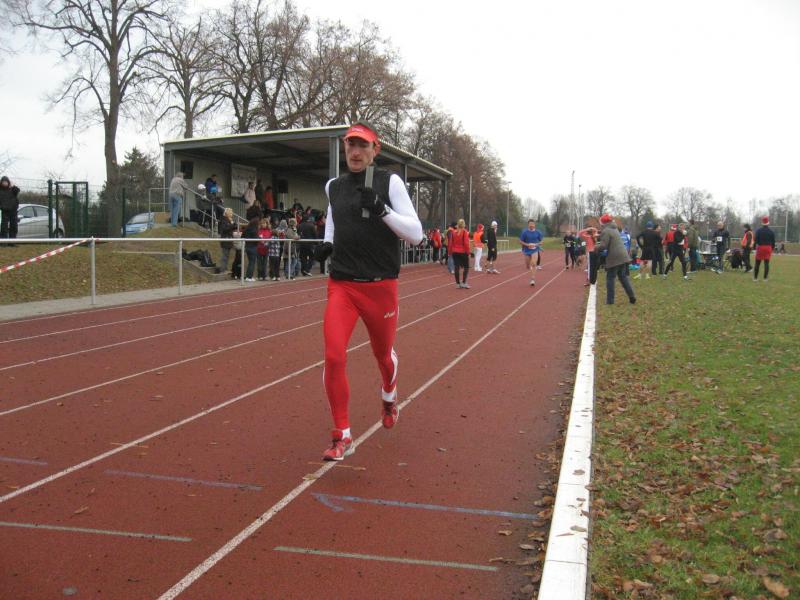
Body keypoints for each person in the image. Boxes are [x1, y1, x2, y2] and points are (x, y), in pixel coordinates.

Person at [313, 122, 423, 461]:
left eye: (363, 145)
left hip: (380, 287)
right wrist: (327, 243)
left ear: (376, 150)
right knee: (334, 356)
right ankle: (342, 434)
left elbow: (416, 234)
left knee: (383, 355)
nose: (355, 152)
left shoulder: (390, 183)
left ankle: (389, 394)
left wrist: (382, 210)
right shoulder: (334, 186)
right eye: (351, 145)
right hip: (343, 286)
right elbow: (333, 216)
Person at [595, 214, 636, 305]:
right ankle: (632, 296)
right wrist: (600, 234)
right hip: (623, 256)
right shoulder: (614, 229)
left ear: (603, 223)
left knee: (610, 278)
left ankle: (610, 301)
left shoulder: (606, 231)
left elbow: (603, 246)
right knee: (623, 278)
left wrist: (595, 247)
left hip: (615, 258)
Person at [520, 219, 543, 286]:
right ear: (528, 225)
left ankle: (532, 279)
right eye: (530, 224)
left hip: (535, 250)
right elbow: (521, 241)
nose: (531, 225)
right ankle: (530, 268)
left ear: (534, 225)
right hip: (527, 250)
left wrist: (536, 244)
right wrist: (527, 245)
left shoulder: (538, 232)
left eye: (532, 224)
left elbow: (541, 241)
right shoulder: (525, 232)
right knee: (527, 265)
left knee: (533, 263)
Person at [450, 218, 471, 288]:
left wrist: (450, 251)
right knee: (466, 267)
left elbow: (451, 243)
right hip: (463, 252)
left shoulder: (453, 232)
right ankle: (464, 282)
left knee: (456, 267)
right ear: (464, 225)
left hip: (455, 252)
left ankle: (457, 283)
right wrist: (468, 252)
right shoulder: (465, 232)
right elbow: (466, 243)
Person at [753, 216, 776, 282]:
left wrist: (754, 248)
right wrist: (772, 248)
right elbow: (773, 241)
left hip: (760, 247)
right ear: (768, 223)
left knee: (757, 263)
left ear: (762, 223)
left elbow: (755, 240)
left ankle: (755, 278)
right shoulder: (771, 231)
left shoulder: (758, 231)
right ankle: (765, 278)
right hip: (768, 248)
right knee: (766, 263)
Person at [216, 207, 236, 274]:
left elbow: (233, 227)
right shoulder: (223, 220)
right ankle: (222, 270)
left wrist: (234, 224)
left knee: (227, 256)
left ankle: (225, 268)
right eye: (231, 213)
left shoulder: (229, 220)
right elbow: (225, 229)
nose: (232, 214)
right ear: (227, 213)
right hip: (225, 240)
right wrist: (232, 225)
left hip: (229, 240)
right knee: (225, 256)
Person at [0, 176, 20, 243]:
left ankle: (12, 242)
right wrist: (2, 207)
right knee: (4, 227)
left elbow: (17, 191)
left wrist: (13, 186)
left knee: (14, 227)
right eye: (3, 182)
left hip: (13, 211)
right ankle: (3, 242)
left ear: (8, 182)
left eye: (6, 182)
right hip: (4, 211)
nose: (4, 183)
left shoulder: (12, 189)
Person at [242, 210, 260, 282]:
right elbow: (256, 239)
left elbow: (242, 236)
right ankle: (249, 277)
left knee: (250, 262)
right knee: (252, 262)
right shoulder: (255, 230)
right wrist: (260, 238)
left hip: (247, 246)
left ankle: (247, 276)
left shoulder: (247, 229)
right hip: (253, 247)